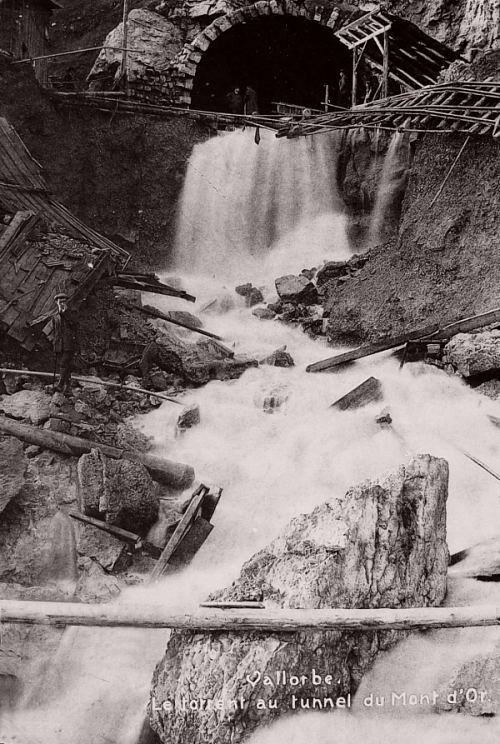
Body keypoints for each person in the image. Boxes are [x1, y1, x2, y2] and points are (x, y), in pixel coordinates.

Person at [52, 292, 79, 395]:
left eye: (64, 301)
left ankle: (60, 385)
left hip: (69, 344)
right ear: (56, 302)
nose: (62, 303)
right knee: (65, 365)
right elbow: (55, 331)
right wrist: (54, 344)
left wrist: (65, 312)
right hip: (59, 344)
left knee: (64, 363)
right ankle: (67, 388)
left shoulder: (72, 313)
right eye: (60, 301)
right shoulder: (55, 316)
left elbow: (74, 325)